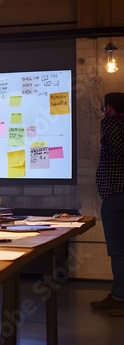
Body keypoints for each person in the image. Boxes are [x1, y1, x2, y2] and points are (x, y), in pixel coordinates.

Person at [93, 92, 124, 316]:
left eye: (105, 109)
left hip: (116, 197)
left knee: (119, 251)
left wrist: (106, 129)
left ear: (110, 108)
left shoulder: (112, 124)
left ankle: (119, 298)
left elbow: (116, 150)